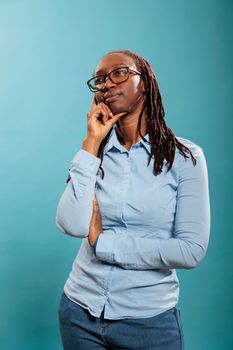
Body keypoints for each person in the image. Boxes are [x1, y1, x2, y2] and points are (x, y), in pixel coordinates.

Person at [56, 49, 211, 350]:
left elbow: (191, 250)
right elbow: (71, 224)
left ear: (146, 83)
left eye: (119, 73)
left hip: (149, 323)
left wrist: (104, 244)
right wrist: (91, 141)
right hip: (79, 312)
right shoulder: (94, 154)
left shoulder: (185, 158)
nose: (107, 84)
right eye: (100, 80)